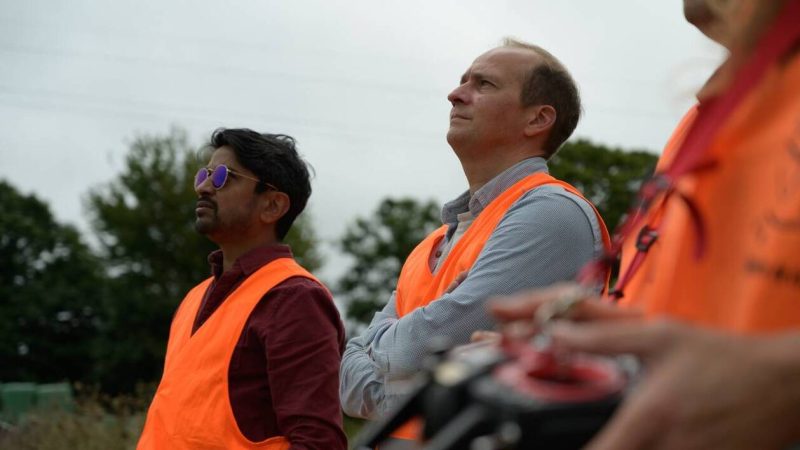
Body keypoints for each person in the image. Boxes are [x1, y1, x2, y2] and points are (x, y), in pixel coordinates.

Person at [490, 1, 800, 449]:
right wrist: (596, 353)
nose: (455, 96)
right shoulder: (712, 113)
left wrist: (784, 380)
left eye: (483, 83)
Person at [340, 38, 611, 444]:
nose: (455, 94)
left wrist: (390, 364)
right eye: (463, 81)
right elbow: (346, 381)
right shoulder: (432, 244)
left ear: (538, 119)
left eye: (483, 84)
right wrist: (428, 378)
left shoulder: (552, 213)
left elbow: (412, 351)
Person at [137, 129, 346, 450]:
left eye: (224, 176)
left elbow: (318, 442)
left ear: (272, 206)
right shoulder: (194, 298)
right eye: (204, 174)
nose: (204, 187)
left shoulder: (294, 298)